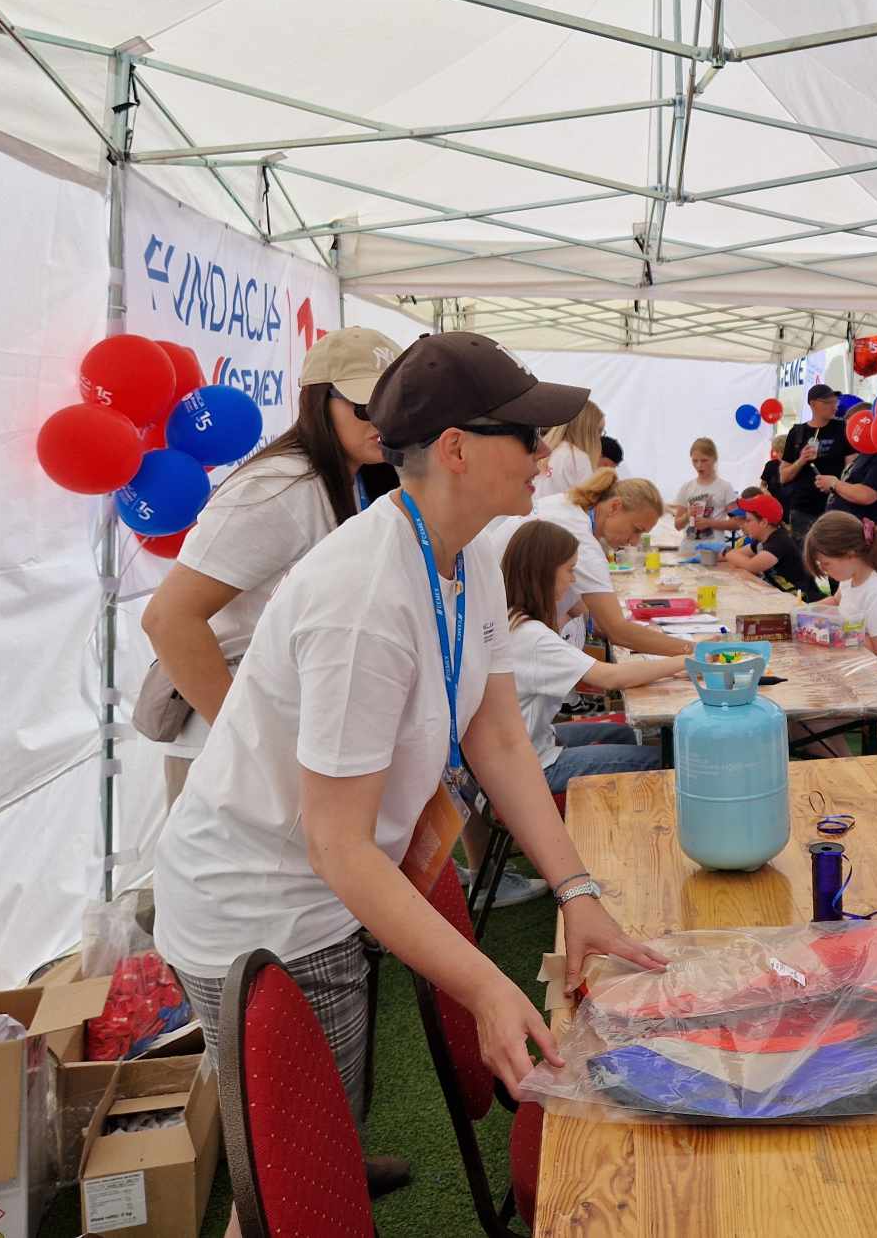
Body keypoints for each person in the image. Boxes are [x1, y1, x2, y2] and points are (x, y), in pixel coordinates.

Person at [152, 333, 666, 1201]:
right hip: (266, 903)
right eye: (526, 436)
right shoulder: (365, 598)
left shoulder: (467, 554)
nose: (545, 455)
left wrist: (577, 892)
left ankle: (337, 1155)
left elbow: (498, 740)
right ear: (457, 449)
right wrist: (487, 987)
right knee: (294, 1191)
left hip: (325, 881)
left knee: (324, 1133)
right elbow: (338, 847)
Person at [140, 328, 401, 805]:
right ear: (319, 403)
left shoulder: (358, 480)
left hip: (289, 732)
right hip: (233, 750)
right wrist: (249, 741)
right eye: (366, 406)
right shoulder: (279, 487)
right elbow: (167, 618)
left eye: (395, 404)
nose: (382, 420)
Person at [502, 520, 685, 790]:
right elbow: (610, 677)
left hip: (535, 743)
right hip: (536, 767)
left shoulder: (513, 617)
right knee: (662, 760)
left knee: (624, 733)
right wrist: (684, 661)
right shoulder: (532, 637)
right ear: (544, 572)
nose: (573, 580)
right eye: (569, 570)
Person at [521, 472, 695, 657]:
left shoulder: (566, 506)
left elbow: (576, 602)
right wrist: (695, 649)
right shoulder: (581, 541)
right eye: (636, 530)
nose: (635, 542)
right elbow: (617, 632)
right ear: (614, 506)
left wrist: (606, 623)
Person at [801, 511, 877, 688]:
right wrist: (803, 612)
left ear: (849, 553)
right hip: (864, 675)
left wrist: (835, 630)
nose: (824, 570)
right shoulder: (850, 577)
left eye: (826, 563)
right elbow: (836, 601)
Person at [719, 491, 822, 599]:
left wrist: (727, 551)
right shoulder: (761, 540)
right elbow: (739, 554)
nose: (744, 524)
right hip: (783, 596)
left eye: (748, 520)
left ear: (763, 522)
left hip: (804, 599)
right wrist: (714, 556)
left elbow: (751, 566)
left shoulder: (779, 541)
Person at [778, 385, 848, 539]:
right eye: (828, 402)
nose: (834, 406)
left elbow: (851, 468)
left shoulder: (843, 428)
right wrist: (801, 460)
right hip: (803, 509)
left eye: (835, 402)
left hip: (835, 507)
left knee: (834, 550)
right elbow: (783, 477)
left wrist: (838, 486)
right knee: (804, 551)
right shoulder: (797, 432)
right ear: (813, 404)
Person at [537, 399, 605, 498]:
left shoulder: (545, 450)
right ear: (588, 431)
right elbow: (586, 500)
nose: (600, 438)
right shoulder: (578, 458)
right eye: (599, 431)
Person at [672, 437, 742, 533]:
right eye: (695, 461)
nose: (699, 465)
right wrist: (688, 515)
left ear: (714, 459)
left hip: (715, 543)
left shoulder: (725, 487)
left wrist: (710, 523)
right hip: (688, 542)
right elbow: (677, 526)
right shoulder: (686, 487)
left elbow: (737, 523)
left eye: (704, 460)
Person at [818, 444, 877, 525]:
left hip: (859, 528)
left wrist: (834, 484)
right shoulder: (869, 453)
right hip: (842, 524)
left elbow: (866, 495)